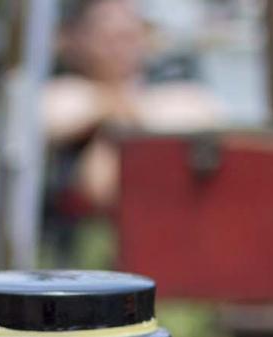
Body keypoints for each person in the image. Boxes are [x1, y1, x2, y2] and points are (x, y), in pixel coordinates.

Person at [43, 0, 224, 218]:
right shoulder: (52, 82)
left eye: (128, 36)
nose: (119, 49)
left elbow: (203, 112)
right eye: (107, 38)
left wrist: (121, 112)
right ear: (76, 40)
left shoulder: (171, 76)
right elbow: (47, 115)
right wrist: (116, 110)